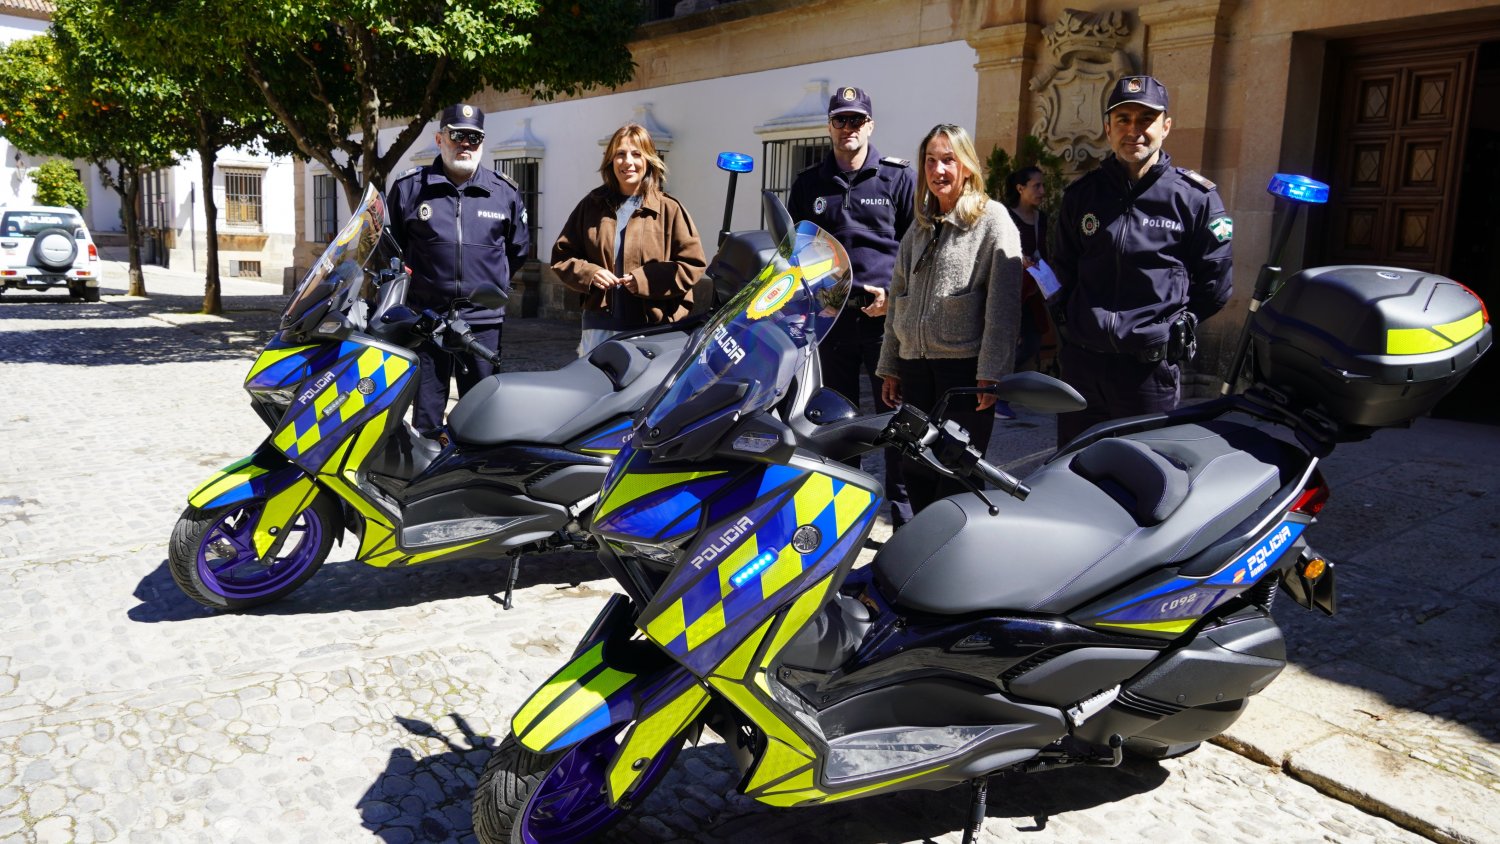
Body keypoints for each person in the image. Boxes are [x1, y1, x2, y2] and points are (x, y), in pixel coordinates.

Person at [1051, 75, 1234, 447]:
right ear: (1108, 128)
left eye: (1145, 120)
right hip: (1082, 368)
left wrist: (1182, 322)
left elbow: (1216, 282)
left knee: (1142, 480)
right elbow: (1061, 269)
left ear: (1165, 127)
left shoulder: (1195, 198)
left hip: (1148, 373)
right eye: (1123, 120)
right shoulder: (1082, 196)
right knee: (1071, 475)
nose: (1134, 130)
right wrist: (1071, 324)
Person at [877, 123, 1024, 513]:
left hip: (963, 374)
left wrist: (991, 374)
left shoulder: (993, 220)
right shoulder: (920, 226)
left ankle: (952, 561)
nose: (938, 170)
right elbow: (898, 299)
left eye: (948, 160)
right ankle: (918, 560)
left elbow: (1004, 307)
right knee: (916, 470)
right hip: (915, 370)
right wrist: (890, 364)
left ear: (967, 167)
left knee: (956, 476)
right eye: (930, 161)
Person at [788, 85, 916, 527]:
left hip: (884, 322)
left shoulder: (898, 178)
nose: (849, 128)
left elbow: (914, 249)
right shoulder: (809, 183)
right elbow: (797, 250)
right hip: (832, 321)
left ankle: (903, 519)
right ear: (829, 126)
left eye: (857, 120)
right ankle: (843, 519)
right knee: (837, 423)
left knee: (897, 421)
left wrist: (895, 301)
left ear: (870, 125)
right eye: (841, 120)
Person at [388, 102, 531, 435]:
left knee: (482, 412)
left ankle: (473, 479)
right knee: (426, 415)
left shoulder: (503, 193)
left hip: (481, 323)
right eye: (457, 136)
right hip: (427, 320)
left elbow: (519, 249)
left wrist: (493, 286)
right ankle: (423, 478)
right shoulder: (410, 189)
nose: (465, 144)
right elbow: (390, 248)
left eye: (474, 138)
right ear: (440, 139)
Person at [551, 124, 706, 356]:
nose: (628, 162)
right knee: (595, 389)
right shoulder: (591, 205)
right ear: (611, 160)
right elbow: (562, 256)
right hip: (600, 327)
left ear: (649, 160)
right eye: (620, 154)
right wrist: (590, 273)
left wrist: (644, 279)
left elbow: (692, 265)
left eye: (636, 154)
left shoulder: (669, 210)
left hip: (654, 328)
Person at [995, 165, 1052, 419]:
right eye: (1036, 185)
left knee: (1031, 343)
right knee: (1004, 345)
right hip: (1008, 291)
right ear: (1020, 188)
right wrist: (1019, 258)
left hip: (1033, 292)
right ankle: (995, 393)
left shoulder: (1044, 219)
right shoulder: (1004, 216)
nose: (1042, 191)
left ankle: (1001, 389)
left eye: (1042, 185)